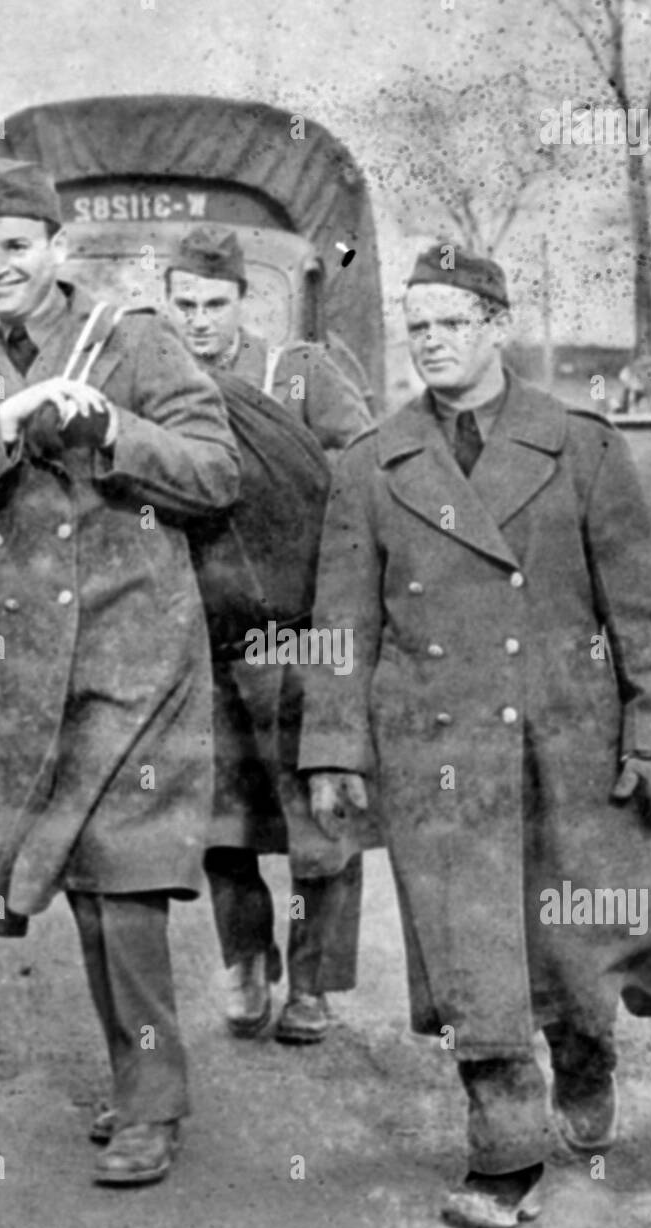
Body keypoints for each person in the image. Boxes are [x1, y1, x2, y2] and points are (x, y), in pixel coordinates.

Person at [299, 245, 651, 1228]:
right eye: (417, 326)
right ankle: (501, 1153)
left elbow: (644, 612)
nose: (431, 341)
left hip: (567, 745)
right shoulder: (371, 464)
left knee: (569, 945)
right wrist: (331, 751)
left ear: (496, 324)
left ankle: (583, 1049)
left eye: (449, 321)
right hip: (435, 754)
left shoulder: (584, 447)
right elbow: (339, 624)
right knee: (469, 959)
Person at [0, 158, 240, 1187]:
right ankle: (141, 1081)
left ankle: (149, 1103)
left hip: (138, 652)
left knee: (125, 878)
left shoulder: (133, 338)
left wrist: (109, 427)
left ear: (56, 250)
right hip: (26, 671)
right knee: (80, 885)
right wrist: (2, 427)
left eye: (16, 245)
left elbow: (214, 471)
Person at [164, 225, 373, 1044]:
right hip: (202, 639)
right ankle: (246, 961)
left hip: (301, 638)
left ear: (245, 303)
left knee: (321, 815)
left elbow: (360, 483)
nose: (199, 322)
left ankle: (313, 984)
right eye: (184, 305)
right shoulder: (155, 385)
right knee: (221, 822)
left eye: (215, 304)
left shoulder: (299, 375)